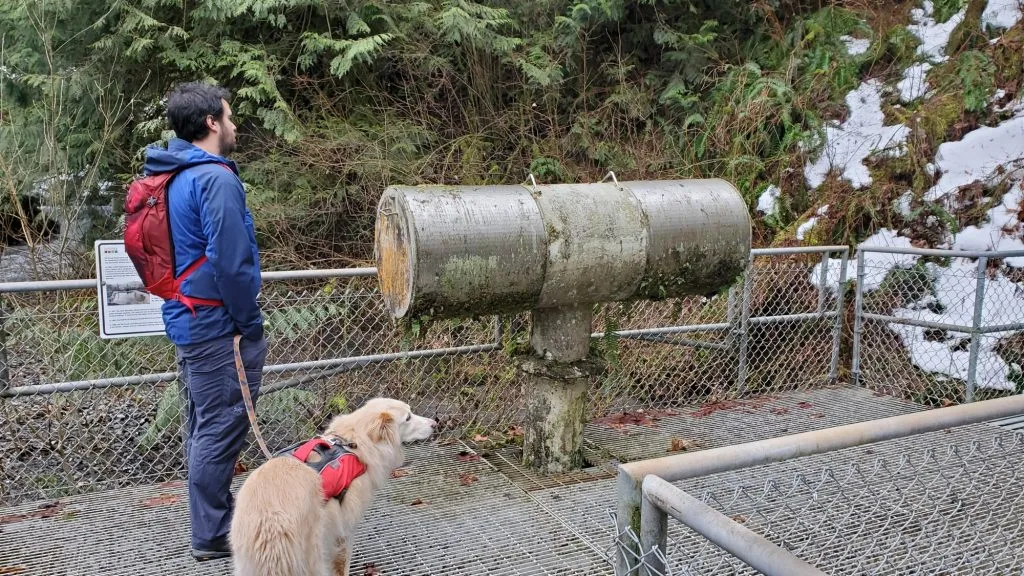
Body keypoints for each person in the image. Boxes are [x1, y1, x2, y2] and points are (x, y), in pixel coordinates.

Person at [142, 82, 267, 561]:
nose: (235, 126)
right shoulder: (213, 178)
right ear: (212, 123)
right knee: (220, 425)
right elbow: (231, 262)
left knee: (203, 423)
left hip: (190, 318)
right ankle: (214, 534)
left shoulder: (174, 174)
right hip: (218, 327)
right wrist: (249, 323)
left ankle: (211, 519)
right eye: (230, 118)